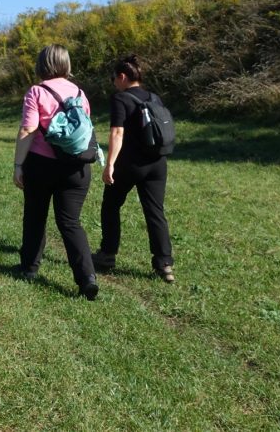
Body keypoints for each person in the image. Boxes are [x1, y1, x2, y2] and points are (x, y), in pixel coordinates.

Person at [12, 44, 99, 300]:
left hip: (42, 165)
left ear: (41, 65)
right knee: (70, 222)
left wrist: (18, 165)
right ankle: (87, 278)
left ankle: (29, 268)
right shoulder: (80, 93)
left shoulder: (37, 91)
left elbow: (28, 129)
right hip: (78, 167)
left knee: (35, 216)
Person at [95, 54, 176, 283]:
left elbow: (117, 133)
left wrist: (110, 164)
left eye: (114, 78)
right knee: (155, 211)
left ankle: (107, 254)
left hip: (130, 164)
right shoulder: (154, 97)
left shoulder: (120, 99)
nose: (113, 82)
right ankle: (164, 263)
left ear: (122, 77)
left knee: (111, 206)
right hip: (157, 163)